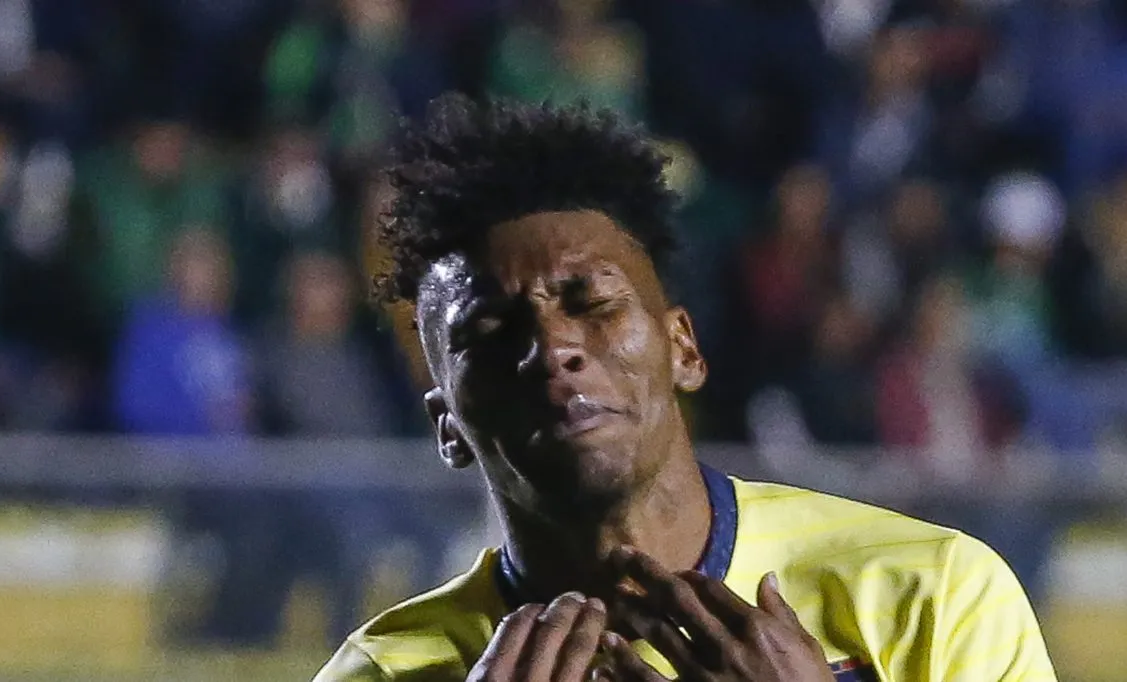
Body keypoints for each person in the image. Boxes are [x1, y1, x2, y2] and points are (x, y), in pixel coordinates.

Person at [312, 94, 1057, 681]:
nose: (552, 349)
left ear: (683, 349)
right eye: (490, 332)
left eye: (590, 303)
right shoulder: (383, 672)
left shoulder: (930, 593)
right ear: (447, 426)